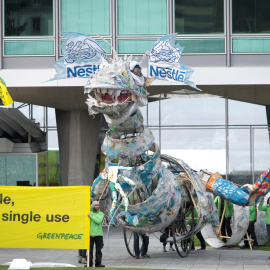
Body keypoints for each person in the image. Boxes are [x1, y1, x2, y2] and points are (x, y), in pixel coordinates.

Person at [88, 201, 105, 267]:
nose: (97, 206)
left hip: (98, 234)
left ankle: (98, 263)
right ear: (93, 206)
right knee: (90, 251)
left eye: (98, 205)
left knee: (98, 250)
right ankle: (89, 263)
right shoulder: (90, 213)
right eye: (95, 205)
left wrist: (91, 216)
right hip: (90, 234)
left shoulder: (101, 214)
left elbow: (98, 221)